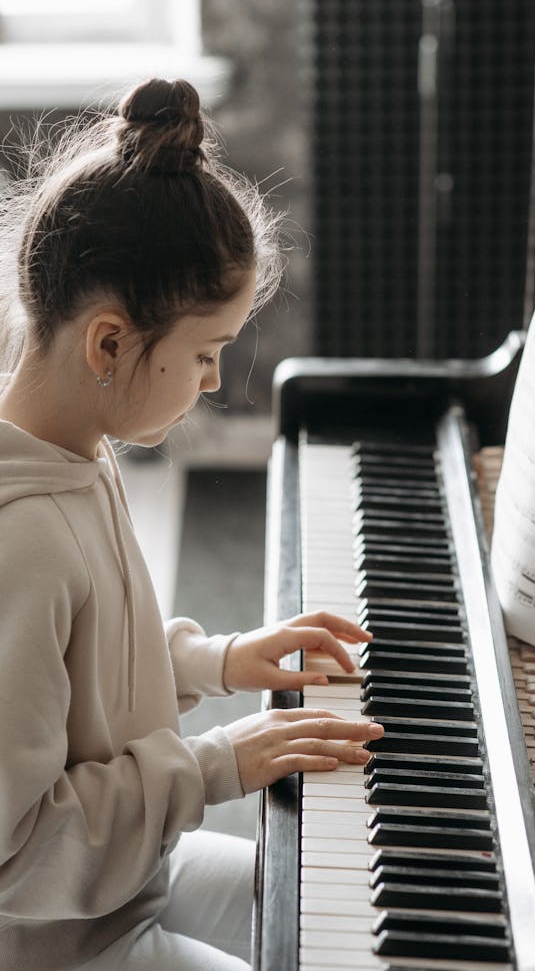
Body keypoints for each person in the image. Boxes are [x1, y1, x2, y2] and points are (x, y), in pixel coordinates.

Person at [0, 77, 381, 971]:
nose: (213, 382)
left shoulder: (74, 452)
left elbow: (89, 680)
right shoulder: (25, 541)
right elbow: (15, 853)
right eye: (205, 354)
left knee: (339, 926)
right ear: (109, 343)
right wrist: (214, 765)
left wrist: (216, 659)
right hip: (56, 939)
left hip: (127, 877)